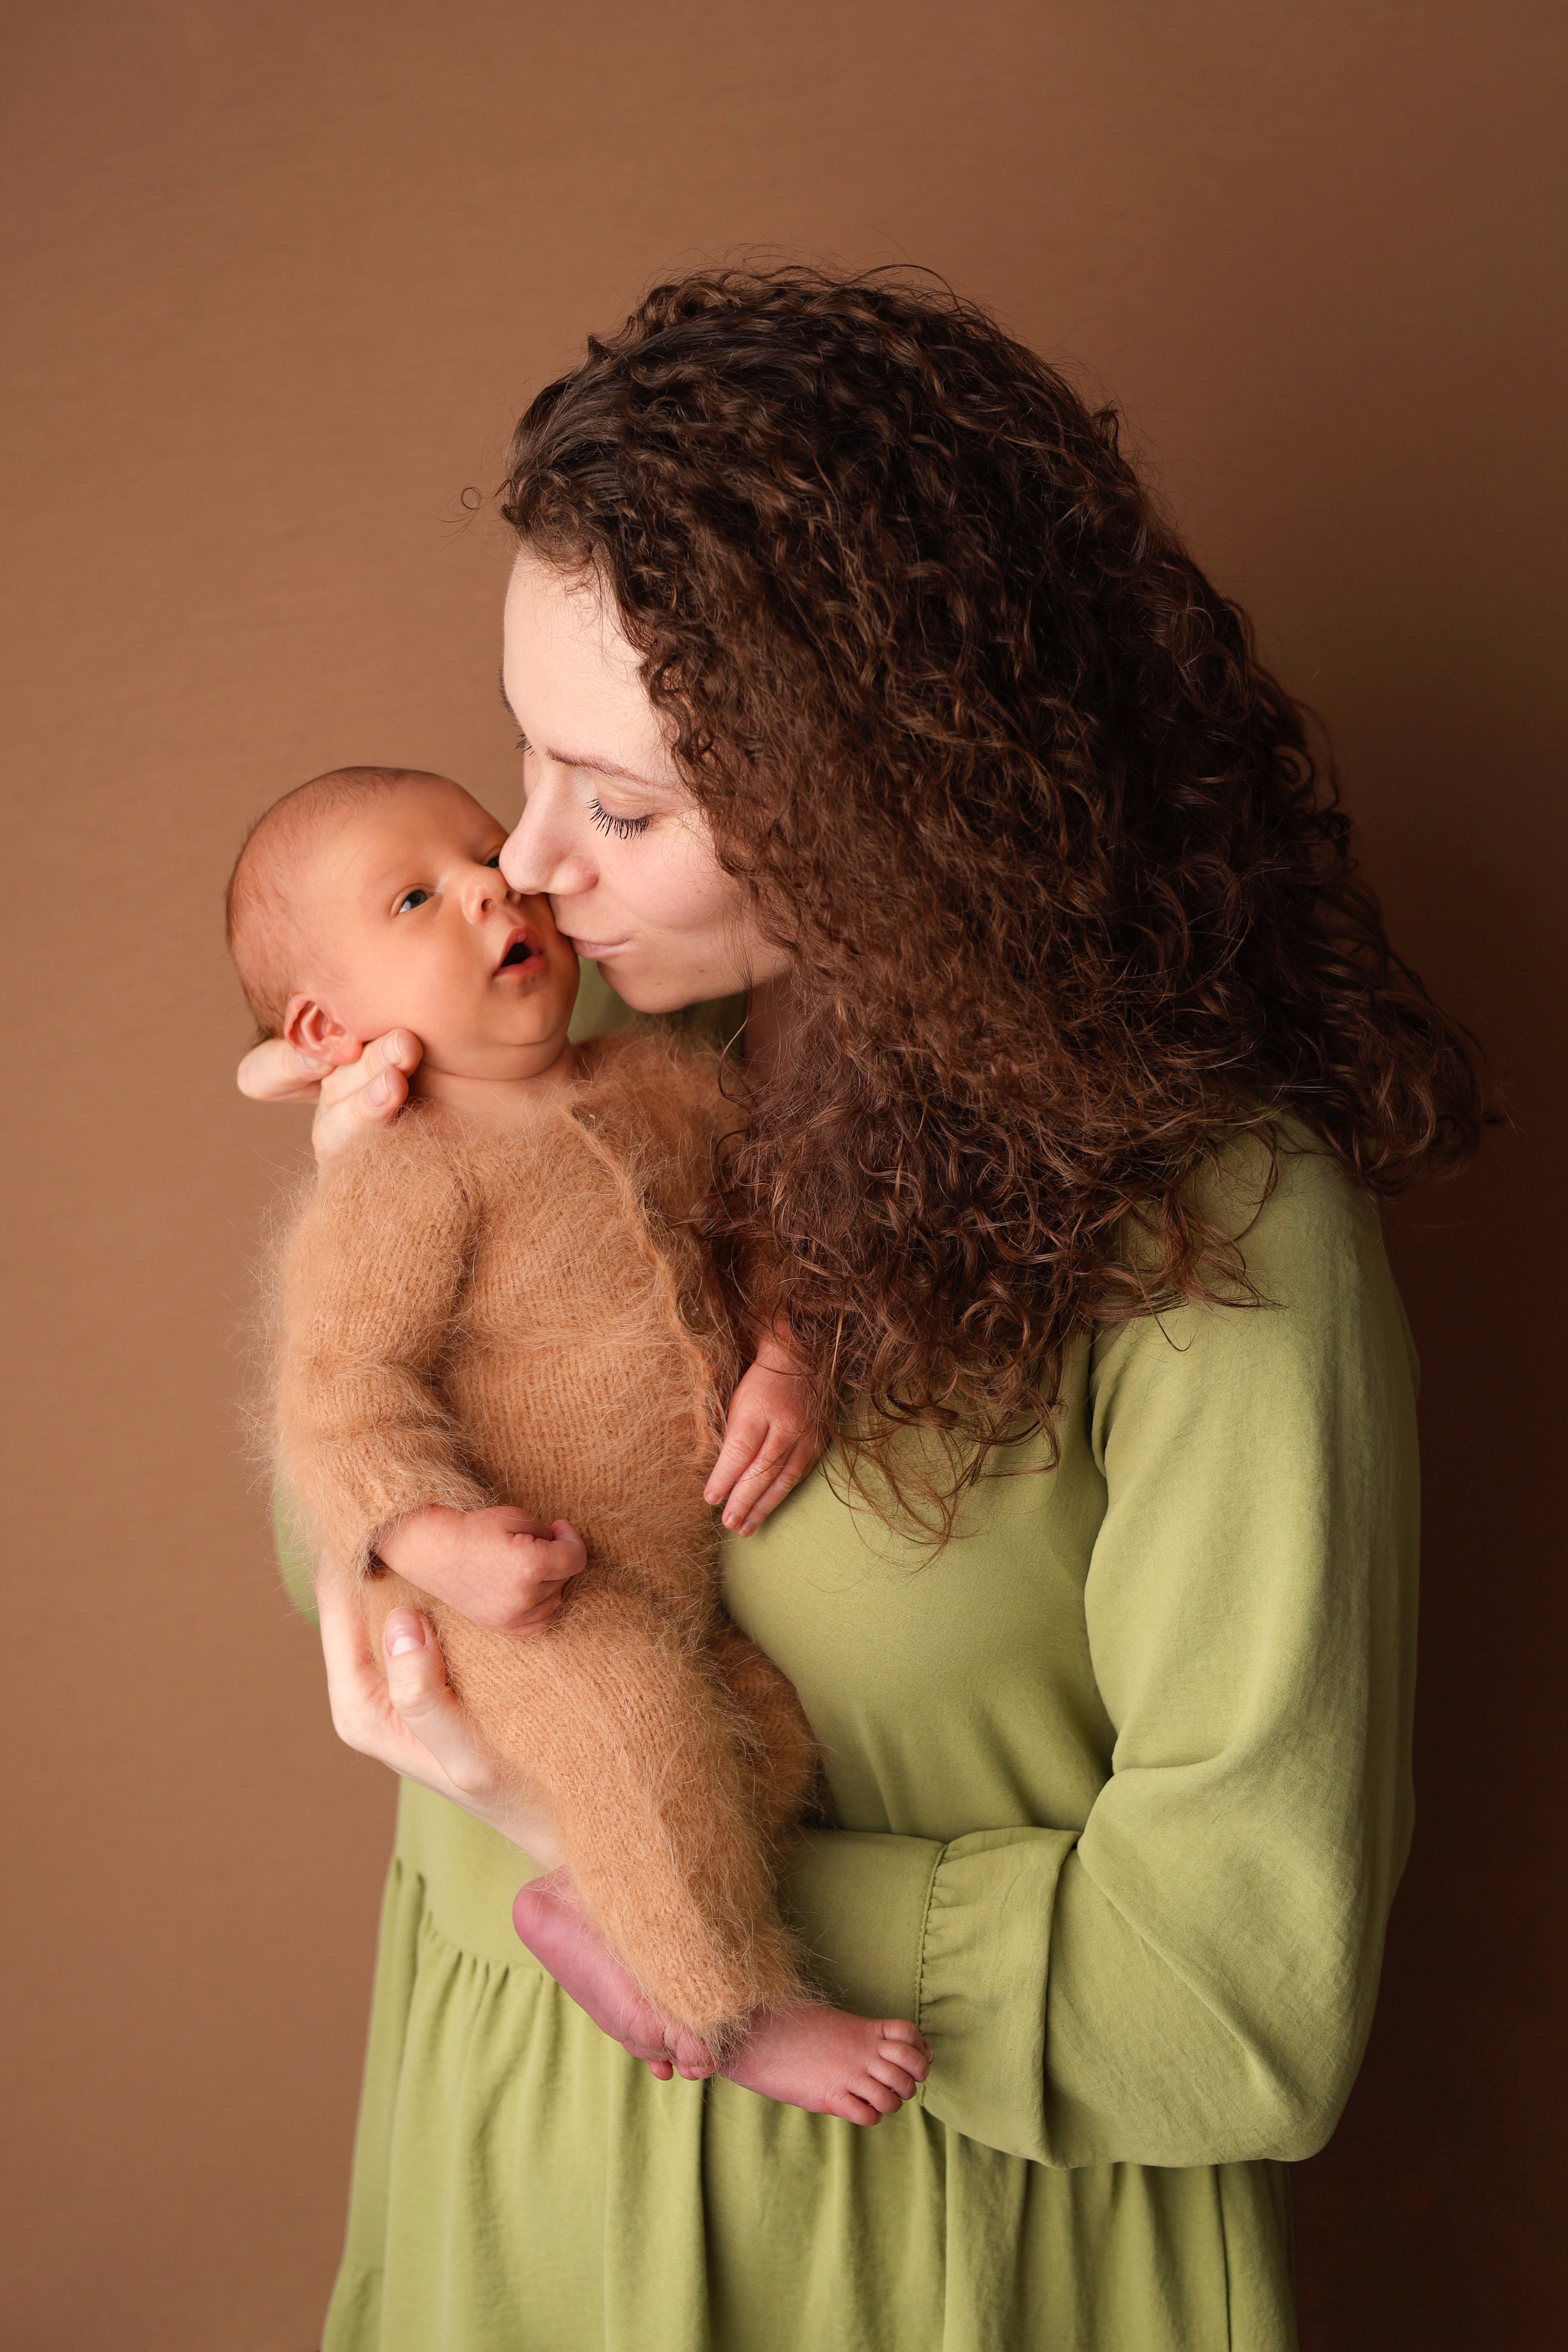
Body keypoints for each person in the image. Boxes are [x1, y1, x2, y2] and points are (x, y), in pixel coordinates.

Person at [241, 267, 1491, 2352]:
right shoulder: (609, 1071)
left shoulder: (1222, 1247)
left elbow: (1241, 2007)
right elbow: (357, 1533)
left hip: (927, 2256)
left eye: (620, 807)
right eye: (526, 773)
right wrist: (372, 1294)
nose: (530, 874)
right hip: (513, 2185)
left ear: (895, 799)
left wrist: (589, 1839)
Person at [235, 760, 928, 2110]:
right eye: (417, 896)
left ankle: (591, 1915)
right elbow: (332, 1397)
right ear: (334, 1028)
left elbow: (769, 1234)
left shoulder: (659, 1083)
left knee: (764, 1739)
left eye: (486, 856)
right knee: (642, 1730)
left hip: (667, 1573)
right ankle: (734, 2018)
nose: (496, 882)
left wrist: (786, 1356)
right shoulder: (402, 1177)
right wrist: (434, 1544)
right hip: (523, 1595)